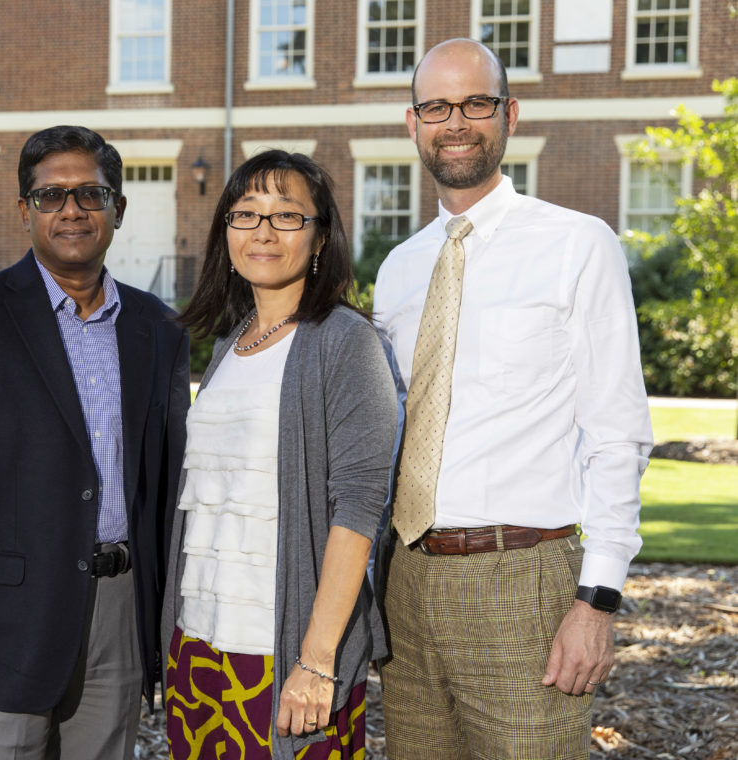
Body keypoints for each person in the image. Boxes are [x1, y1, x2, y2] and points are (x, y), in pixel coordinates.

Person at [373, 38, 653, 759]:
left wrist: (597, 601)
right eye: (437, 106)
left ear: (510, 115)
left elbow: (617, 433)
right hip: (405, 581)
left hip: (522, 580)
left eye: (476, 103)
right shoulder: (400, 270)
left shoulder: (577, 244)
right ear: (413, 124)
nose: (456, 122)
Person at [0, 125, 190, 759]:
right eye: (50, 196)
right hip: (4, 624)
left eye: (90, 194)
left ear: (117, 207)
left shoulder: (160, 329)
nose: (71, 210)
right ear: (23, 211)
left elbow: (168, 484)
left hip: (119, 612)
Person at [161, 150, 399, 759]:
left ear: (320, 237)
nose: (263, 231)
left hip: (284, 651)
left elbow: (360, 507)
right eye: (246, 214)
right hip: (200, 645)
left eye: (287, 215)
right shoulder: (230, 344)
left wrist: (317, 663)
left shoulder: (346, 342)